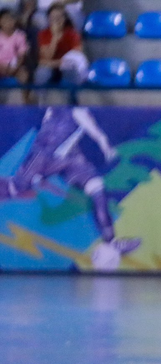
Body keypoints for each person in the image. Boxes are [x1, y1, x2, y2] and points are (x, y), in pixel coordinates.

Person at [0, 106, 140, 264]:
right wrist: (105, 146)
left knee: (97, 187)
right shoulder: (74, 110)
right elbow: (93, 130)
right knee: (16, 188)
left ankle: (111, 242)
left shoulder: (62, 110)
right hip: (44, 156)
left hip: (69, 157)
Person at [33, 2, 85, 87]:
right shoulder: (43, 34)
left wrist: (52, 63)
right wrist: (54, 38)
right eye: (52, 18)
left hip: (66, 68)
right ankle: (41, 99)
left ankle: (71, 98)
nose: (56, 21)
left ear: (64, 18)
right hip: (51, 68)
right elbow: (46, 57)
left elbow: (76, 57)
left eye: (59, 17)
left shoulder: (72, 34)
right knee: (41, 72)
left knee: (72, 71)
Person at [0, 8, 28, 86]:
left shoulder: (20, 35)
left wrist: (15, 67)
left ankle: (26, 97)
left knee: (23, 75)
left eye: (10, 19)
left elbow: (21, 55)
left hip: (14, 66)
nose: (8, 22)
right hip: (0, 66)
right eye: (5, 19)